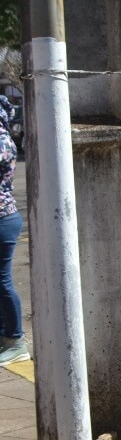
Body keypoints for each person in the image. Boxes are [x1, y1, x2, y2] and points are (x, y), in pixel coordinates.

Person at [0, 96, 28, 367]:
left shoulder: (2, 142)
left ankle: (16, 341)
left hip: (2, 219)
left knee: (2, 281)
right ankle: (4, 335)